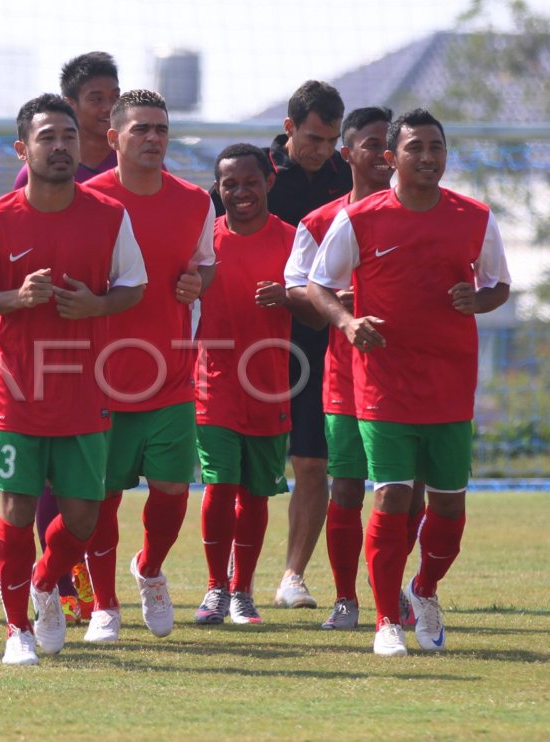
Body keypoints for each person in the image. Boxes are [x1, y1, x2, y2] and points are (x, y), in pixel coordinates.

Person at [0, 93, 146, 665]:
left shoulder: (109, 215)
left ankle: (42, 583)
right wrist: (15, 297)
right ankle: (17, 631)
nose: (61, 147)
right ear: (22, 148)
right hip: (16, 394)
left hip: (85, 391)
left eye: (68, 137)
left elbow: (134, 285)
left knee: (82, 517)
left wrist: (97, 307)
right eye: (47, 137)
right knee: (16, 510)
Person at [308, 108, 510, 657]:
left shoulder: (475, 217)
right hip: (382, 382)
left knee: (447, 508)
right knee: (392, 495)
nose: (427, 157)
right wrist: (348, 322)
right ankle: (384, 622)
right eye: (415, 147)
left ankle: (424, 588)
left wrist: (480, 298)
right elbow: (318, 285)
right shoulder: (360, 219)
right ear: (390, 158)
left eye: (436, 148)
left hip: (449, 382)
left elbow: (498, 285)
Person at [283, 106, 428, 630]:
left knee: (411, 489)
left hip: (412, 374)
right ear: (349, 153)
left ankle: (398, 586)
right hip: (346, 374)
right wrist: (337, 308)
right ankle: (347, 598)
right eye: (368, 144)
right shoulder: (320, 223)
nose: (379, 155)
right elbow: (299, 288)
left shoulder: (424, 214)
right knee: (345, 487)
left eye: (384, 144)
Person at [82, 89, 215, 642]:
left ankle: (151, 570)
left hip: (172, 374)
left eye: (161, 128)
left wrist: (195, 282)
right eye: (141, 129)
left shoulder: (195, 202)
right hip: (98, 379)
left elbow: (205, 266)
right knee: (100, 497)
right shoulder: (84, 199)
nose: (154, 138)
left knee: (170, 491)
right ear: (113, 137)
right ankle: (104, 606)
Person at [216, 80, 352, 610]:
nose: (323, 149)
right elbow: (209, 245)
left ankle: (292, 575)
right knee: (242, 474)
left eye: (332, 139)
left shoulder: (347, 180)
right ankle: (227, 576)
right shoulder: (250, 176)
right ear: (289, 129)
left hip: (317, 345)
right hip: (250, 351)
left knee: (313, 463)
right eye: (314, 137)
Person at [16, 52, 121, 621]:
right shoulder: (41, 175)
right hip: (46, 359)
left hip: (127, 351)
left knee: (99, 489)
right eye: (96, 99)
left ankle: (86, 581)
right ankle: (62, 582)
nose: (106, 108)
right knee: (48, 483)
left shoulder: (134, 168)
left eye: (113, 96)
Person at [194, 144, 296, 626]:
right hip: (212, 381)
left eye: (249, 181)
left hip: (271, 383)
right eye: (229, 184)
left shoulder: (294, 240)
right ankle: (216, 587)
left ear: (268, 181)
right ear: (218, 188)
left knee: (256, 494)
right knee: (219, 486)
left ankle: (243, 591)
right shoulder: (203, 240)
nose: (240, 192)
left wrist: (290, 298)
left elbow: (320, 302)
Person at [12, 52, 119, 188]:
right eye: (97, 99)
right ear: (70, 104)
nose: (109, 107)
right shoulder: (34, 175)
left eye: (115, 97)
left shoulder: (132, 163)